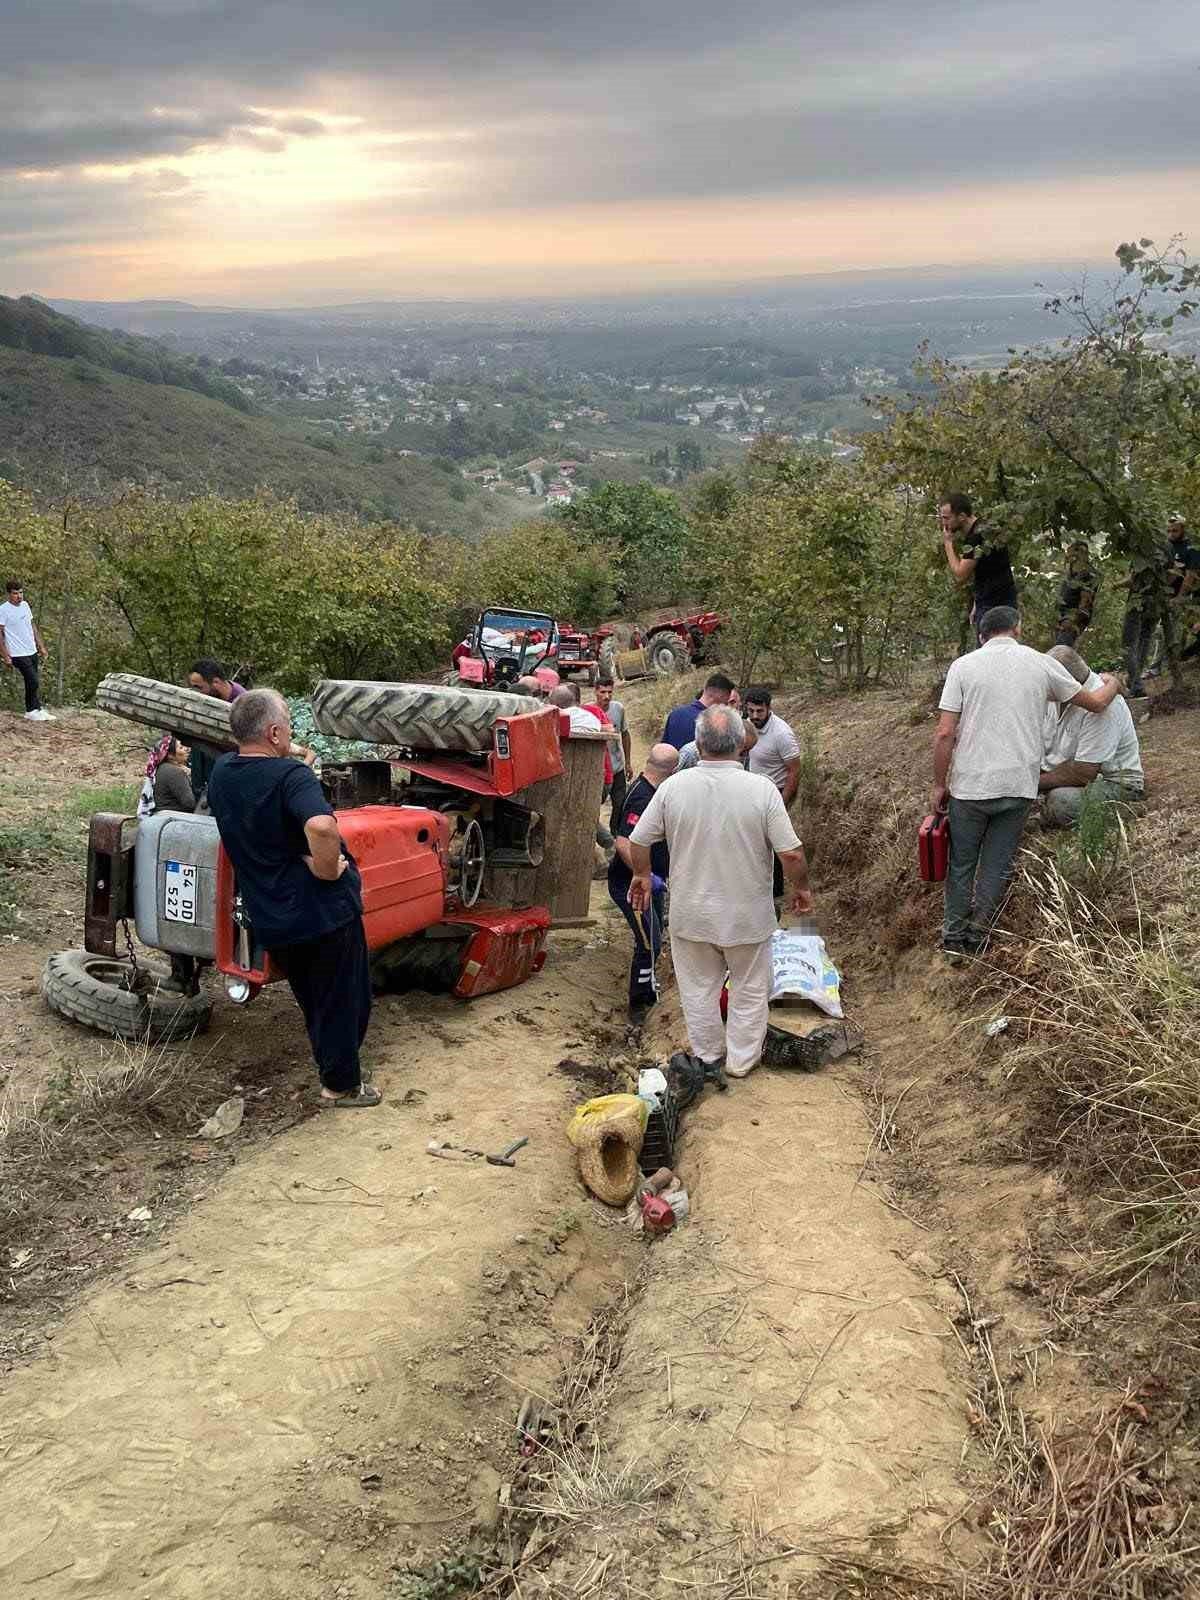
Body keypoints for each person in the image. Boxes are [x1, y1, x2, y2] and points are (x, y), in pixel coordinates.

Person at [206, 688, 379, 1108]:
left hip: (272, 914)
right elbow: (321, 827)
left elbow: (264, 817)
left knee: (314, 999)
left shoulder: (222, 773)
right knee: (344, 999)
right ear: (275, 731)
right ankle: (340, 1087)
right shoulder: (291, 778)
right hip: (322, 912)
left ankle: (334, 1070)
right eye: (288, 726)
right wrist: (325, 867)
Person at [629, 704, 813, 1080]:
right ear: (741, 745)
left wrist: (643, 874)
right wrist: (802, 888)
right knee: (748, 987)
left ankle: (709, 1055)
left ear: (697, 743)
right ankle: (742, 1061)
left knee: (698, 989)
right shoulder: (761, 789)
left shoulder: (673, 788)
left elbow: (639, 839)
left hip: (691, 914)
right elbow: (791, 853)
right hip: (747, 915)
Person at [933, 606, 1124, 958]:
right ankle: (977, 937)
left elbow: (945, 733)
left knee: (962, 863)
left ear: (981, 635)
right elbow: (1096, 703)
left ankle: (952, 939)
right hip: (1019, 787)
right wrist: (1112, 682)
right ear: (1018, 629)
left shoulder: (962, 666)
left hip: (970, 787)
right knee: (997, 863)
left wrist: (938, 784)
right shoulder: (1041, 663)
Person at [608, 743, 679, 1021]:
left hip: (648, 882)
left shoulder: (648, 790)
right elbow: (623, 842)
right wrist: (645, 874)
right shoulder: (642, 798)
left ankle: (648, 990)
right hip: (634, 887)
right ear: (672, 771)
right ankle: (639, 1005)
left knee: (653, 937)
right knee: (648, 941)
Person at [1039, 646, 1144, 826]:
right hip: (1071, 775)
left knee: (1061, 802)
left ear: (1064, 682)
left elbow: (1083, 774)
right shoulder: (1056, 696)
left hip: (1112, 783)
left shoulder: (1105, 704)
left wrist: (1032, 784)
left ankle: (1127, 808)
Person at [939, 494, 1018, 642]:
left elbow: (960, 574)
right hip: (1003, 599)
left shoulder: (976, 537)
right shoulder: (986, 528)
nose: (943, 523)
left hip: (992, 605)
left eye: (946, 518)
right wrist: (977, 602)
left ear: (961, 516)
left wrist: (948, 543)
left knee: (988, 655)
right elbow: (990, 569)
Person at [188, 657, 247, 799]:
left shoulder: (243, 704)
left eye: (199, 687)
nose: (196, 692)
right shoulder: (210, 699)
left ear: (216, 682)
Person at [0, 579, 54, 722]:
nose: (19, 596)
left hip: (31, 650)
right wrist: (5, 655)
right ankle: (30, 710)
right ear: (9, 594)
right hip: (17, 653)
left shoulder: (25, 605)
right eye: (15, 593)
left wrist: (41, 646)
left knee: (33, 681)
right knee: (33, 680)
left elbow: (32, 626)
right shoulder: (3, 610)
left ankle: (37, 709)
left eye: (21, 592)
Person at [661, 671, 736, 748]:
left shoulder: (675, 714)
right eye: (726, 702)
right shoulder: (712, 722)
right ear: (721, 696)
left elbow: (663, 747)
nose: (726, 706)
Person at [594, 679, 632, 831]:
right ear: (595, 691)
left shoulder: (618, 709)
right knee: (596, 804)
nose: (607, 696)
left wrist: (628, 762)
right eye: (603, 692)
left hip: (617, 768)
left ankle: (614, 832)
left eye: (610, 692)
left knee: (620, 803)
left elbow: (625, 734)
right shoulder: (589, 712)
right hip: (600, 770)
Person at [1055, 541, 1100, 648]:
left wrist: (1071, 621)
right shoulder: (1071, 572)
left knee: (1061, 650)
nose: (1068, 555)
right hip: (1063, 618)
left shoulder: (1088, 573)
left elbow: (1085, 605)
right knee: (1060, 651)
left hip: (1071, 620)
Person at [137, 735, 196, 818]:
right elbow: (190, 803)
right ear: (170, 755)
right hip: (174, 818)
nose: (187, 749)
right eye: (181, 747)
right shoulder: (174, 772)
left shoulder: (161, 768)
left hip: (160, 816)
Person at [675, 716, 757, 771]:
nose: (745, 756)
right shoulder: (690, 754)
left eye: (748, 751)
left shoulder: (744, 754)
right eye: (742, 751)